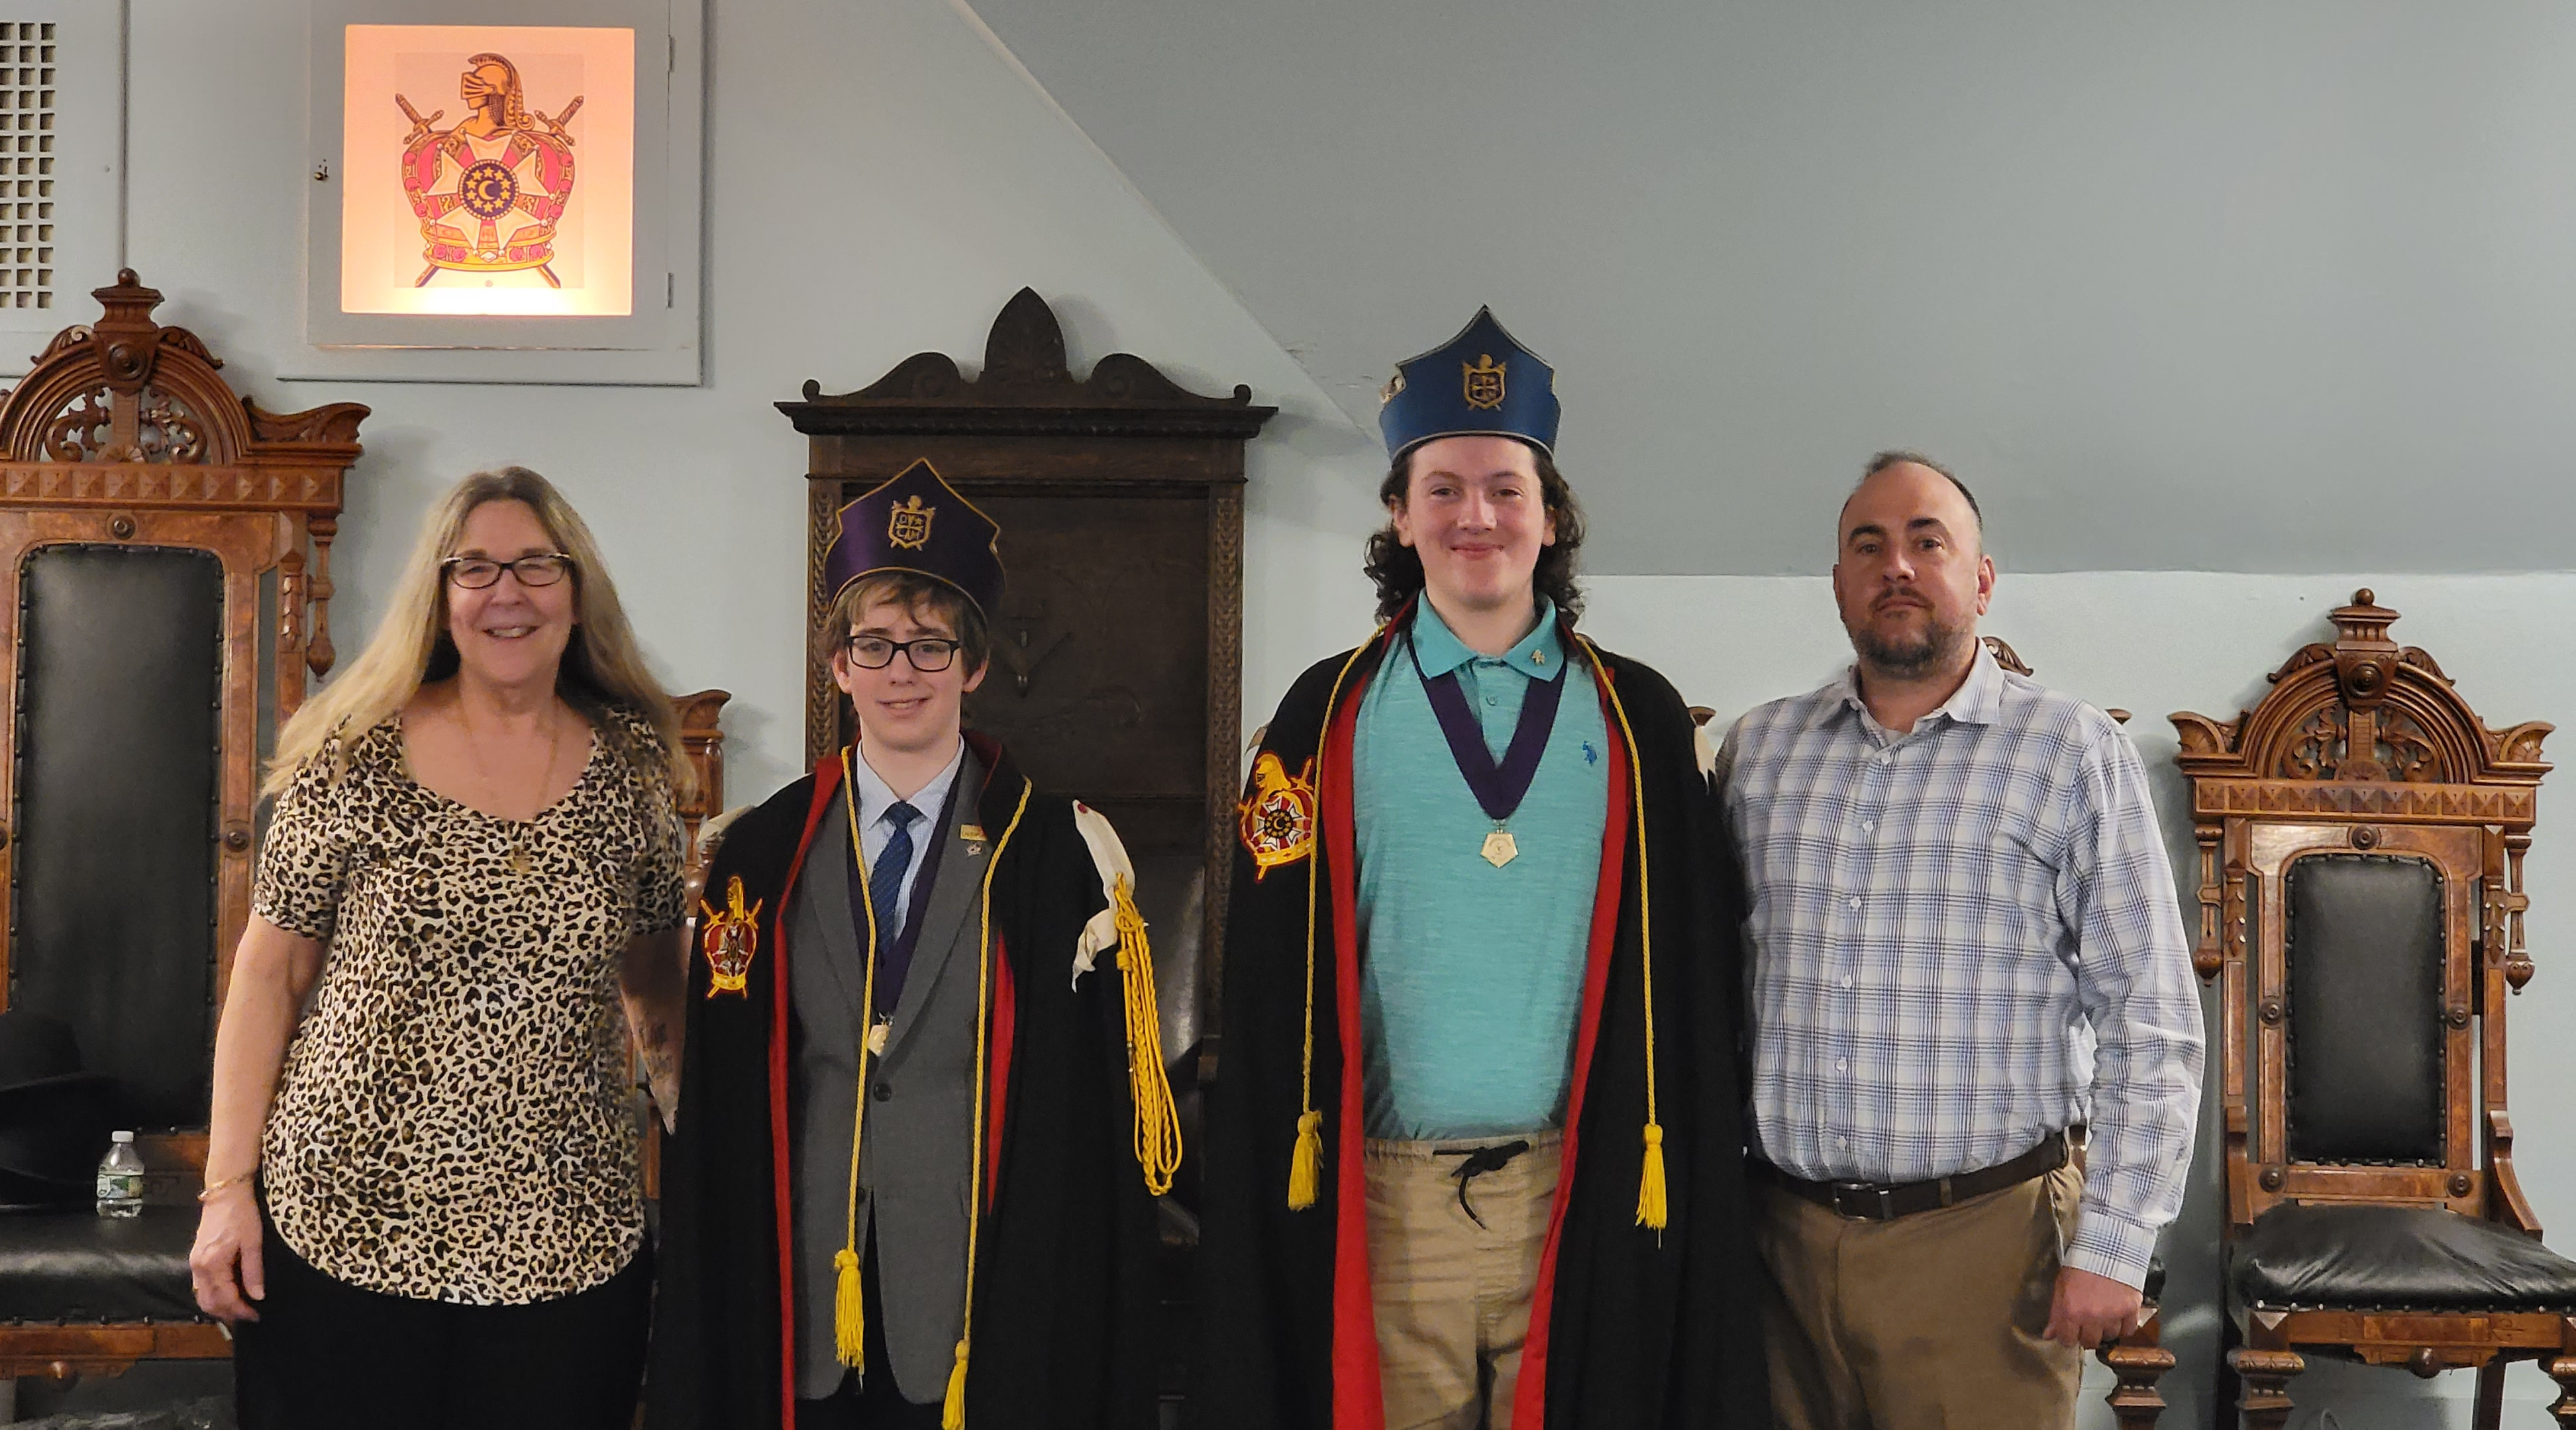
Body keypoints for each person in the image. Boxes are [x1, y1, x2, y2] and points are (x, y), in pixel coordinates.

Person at [1197, 309, 1764, 1429]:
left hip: (1588, 1195)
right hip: (1386, 1206)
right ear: (1400, 516)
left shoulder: (1640, 717)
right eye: (1444, 488)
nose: (1477, 515)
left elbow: (1698, 981)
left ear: (1551, 517)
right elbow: (1264, 985)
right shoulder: (1324, 715)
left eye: (1508, 488)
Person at [648, 459, 1173, 1430]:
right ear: (838, 665)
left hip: (984, 1287)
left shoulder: (1057, 857)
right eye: (875, 645)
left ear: (973, 667)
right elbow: (720, 1102)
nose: (901, 673)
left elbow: (1094, 1128)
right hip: (803, 1284)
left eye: (931, 647)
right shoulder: (760, 854)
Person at [189, 466, 696, 1430]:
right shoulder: (352, 752)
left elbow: (658, 991)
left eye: (536, 565)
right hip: (346, 1218)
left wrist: (707, 1167)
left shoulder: (634, 769)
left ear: (576, 590)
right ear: (440, 595)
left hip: (569, 1237)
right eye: (476, 569)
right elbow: (269, 972)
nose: (508, 593)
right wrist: (226, 1190)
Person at [1714, 452, 2206, 1429]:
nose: (1896, 565)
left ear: (1981, 580)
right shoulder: (1759, 753)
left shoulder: (2070, 752)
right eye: (1868, 546)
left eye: (1926, 542)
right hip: (1783, 1252)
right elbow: (1720, 985)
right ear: (1839, 585)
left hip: (1987, 1249)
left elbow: (2148, 1010)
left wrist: (2115, 1243)